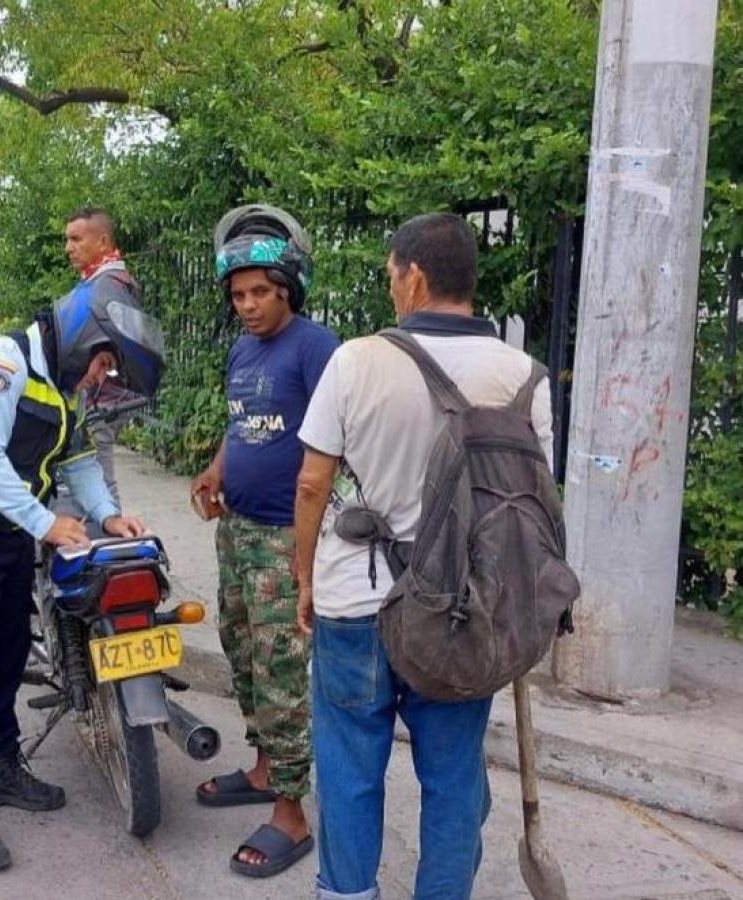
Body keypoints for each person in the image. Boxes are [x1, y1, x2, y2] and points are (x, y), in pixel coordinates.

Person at [293, 213, 553, 900]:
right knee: (454, 777)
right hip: (466, 611)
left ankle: (347, 893)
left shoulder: (356, 359)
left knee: (349, 769)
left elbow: (314, 481)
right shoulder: (525, 377)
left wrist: (302, 574)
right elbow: (531, 506)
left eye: (390, 276)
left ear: (413, 276)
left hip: (358, 601)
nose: (391, 290)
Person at [0, 272, 165, 874]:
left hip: (7, 535)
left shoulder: (61, 384)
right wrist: (46, 523)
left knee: (6, 656)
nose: (102, 377)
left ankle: (2, 768)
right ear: (83, 338)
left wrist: (108, 516)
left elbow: (77, 455)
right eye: (105, 362)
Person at [190, 205, 338, 878]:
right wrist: (218, 468)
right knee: (244, 653)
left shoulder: (315, 347)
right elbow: (241, 420)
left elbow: (336, 440)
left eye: (260, 293)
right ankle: (262, 766)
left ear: (288, 290)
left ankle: (291, 812)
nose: (247, 306)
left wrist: (311, 559)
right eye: (238, 294)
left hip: (285, 538)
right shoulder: (242, 349)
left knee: (281, 673)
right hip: (238, 529)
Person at [63, 207, 140, 506]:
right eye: (67, 240)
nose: (68, 248)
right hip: (106, 398)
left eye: (76, 239)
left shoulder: (108, 285)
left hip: (102, 400)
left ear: (103, 242)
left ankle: (115, 542)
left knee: (99, 480)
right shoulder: (108, 280)